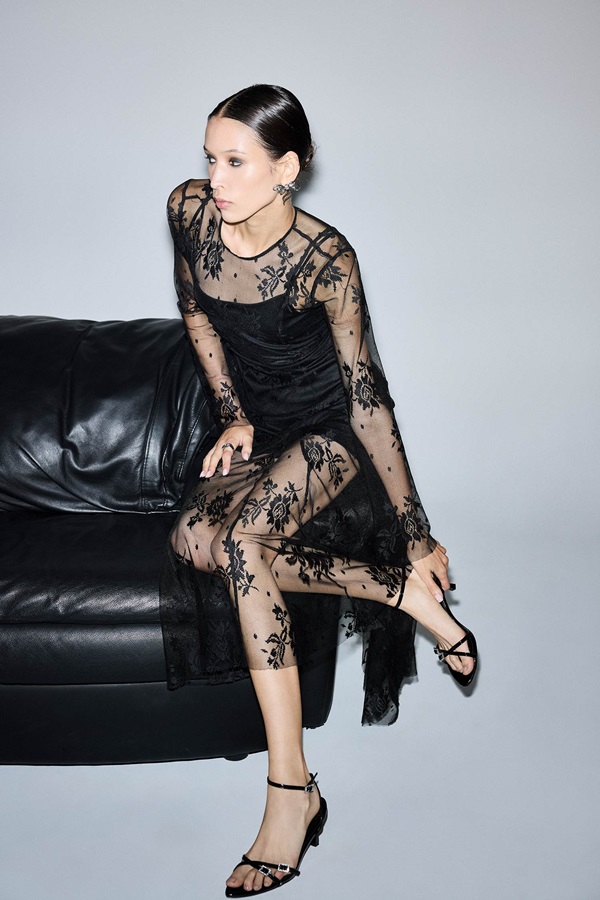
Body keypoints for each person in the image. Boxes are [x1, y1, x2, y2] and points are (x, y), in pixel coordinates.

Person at [159, 84, 478, 897]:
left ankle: (289, 792)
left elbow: (367, 398)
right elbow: (196, 313)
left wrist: (416, 533)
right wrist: (232, 415)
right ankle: (396, 592)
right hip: (261, 427)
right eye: (209, 158)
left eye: (236, 162)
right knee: (192, 541)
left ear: (287, 169)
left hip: (329, 432)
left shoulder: (326, 258)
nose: (214, 179)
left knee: (243, 546)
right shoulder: (189, 213)